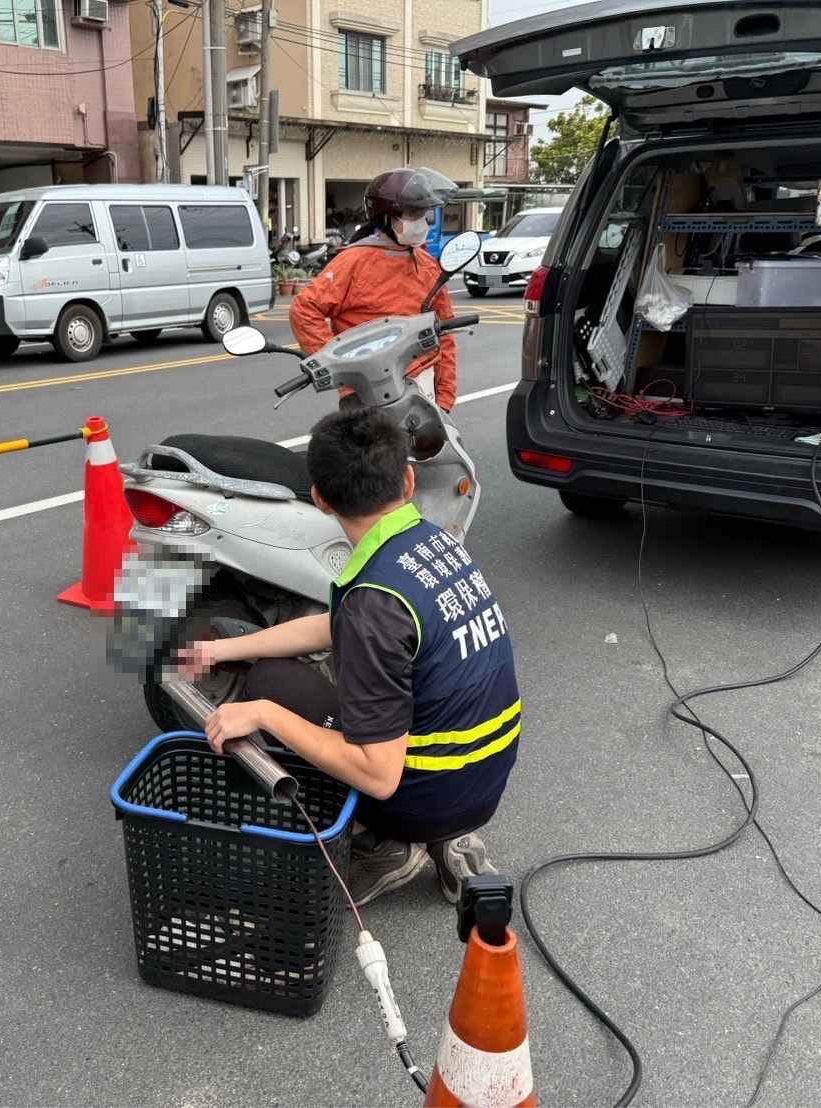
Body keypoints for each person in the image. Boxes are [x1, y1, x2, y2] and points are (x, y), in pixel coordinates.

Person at [178, 407, 521, 907]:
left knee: (272, 685)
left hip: (423, 796)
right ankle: (449, 840)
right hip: (484, 779)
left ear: (319, 499)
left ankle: (379, 846)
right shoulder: (430, 543)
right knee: (330, 685)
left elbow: (379, 775)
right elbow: (337, 626)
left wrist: (262, 713)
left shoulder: (373, 603)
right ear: (408, 480)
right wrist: (225, 647)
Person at [289, 167, 462, 413]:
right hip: (369, 391)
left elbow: (444, 332)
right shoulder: (353, 262)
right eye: (414, 213)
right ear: (387, 217)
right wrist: (341, 367)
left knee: (431, 451)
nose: (421, 221)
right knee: (371, 451)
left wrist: (444, 398)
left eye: (424, 213)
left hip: (422, 387)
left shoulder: (426, 264)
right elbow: (304, 310)